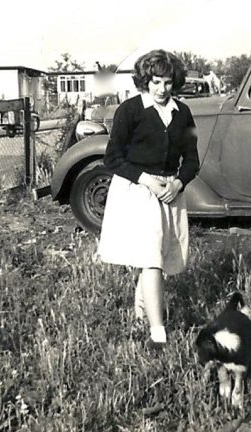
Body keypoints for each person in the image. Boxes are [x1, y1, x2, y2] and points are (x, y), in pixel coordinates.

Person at [96, 49, 199, 347]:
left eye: (167, 82)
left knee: (155, 258)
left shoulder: (183, 113)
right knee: (152, 258)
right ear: (145, 81)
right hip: (137, 190)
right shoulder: (129, 110)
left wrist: (178, 183)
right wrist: (147, 181)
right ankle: (158, 333)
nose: (161, 89)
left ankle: (140, 317)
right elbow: (112, 159)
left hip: (169, 192)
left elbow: (192, 160)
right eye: (155, 82)